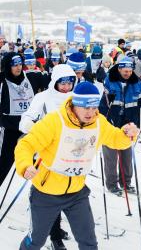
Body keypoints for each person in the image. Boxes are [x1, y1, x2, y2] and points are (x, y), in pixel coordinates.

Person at [15, 82, 139, 250]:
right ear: (75, 104)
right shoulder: (54, 121)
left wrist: (127, 134)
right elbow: (25, 145)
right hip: (46, 194)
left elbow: (116, 139)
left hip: (77, 193)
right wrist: (25, 165)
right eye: (85, 107)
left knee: (89, 242)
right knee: (36, 241)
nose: (90, 112)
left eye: (94, 107)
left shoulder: (98, 122)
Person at [19, 64, 76, 249]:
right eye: (63, 83)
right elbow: (25, 121)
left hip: (70, 154)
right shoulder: (42, 98)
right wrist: (40, 131)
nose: (66, 87)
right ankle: (54, 237)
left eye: (70, 82)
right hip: (46, 153)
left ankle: (55, 229)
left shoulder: (76, 99)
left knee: (66, 192)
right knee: (49, 193)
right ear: (55, 82)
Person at [99, 56, 141, 195]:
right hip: (112, 124)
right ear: (119, 69)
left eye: (129, 71)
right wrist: (106, 117)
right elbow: (102, 106)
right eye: (125, 71)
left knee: (126, 155)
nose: (127, 73)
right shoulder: (109, 81)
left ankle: (126, 182)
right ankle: (112, 184)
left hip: (129, 124)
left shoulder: (136, 82)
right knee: (111, 156)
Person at [0, 53, 34, 186]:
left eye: (20, 64)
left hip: (28, 130)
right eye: (14, 65)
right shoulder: (2, 81)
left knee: (36, 167)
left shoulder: (29, 77)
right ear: (8, 66)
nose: (18, 68)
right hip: (9, 131)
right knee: (3, 166)